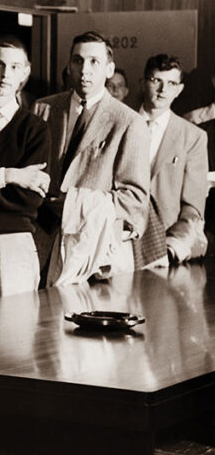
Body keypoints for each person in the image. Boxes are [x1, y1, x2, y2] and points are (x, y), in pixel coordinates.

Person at [32, 31, 149, 284]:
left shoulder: (129, 122)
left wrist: (74, 204)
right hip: (41, 242)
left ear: (109, 69)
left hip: (92, 251)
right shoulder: (44, 108)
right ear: (69, 66)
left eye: (94, 62)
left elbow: (136, 199)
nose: (85, 70)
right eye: (78, 61)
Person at [0, 36, 50, 297]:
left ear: (25, 72)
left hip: (12, 245)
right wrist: (10, 175)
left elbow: (28, 200)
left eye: (15, 67)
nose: (5, 74)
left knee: (11, 334)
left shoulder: (36, 129)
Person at [136, 54, 207, 265]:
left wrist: (170, 249)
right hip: (119, 245)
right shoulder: (121, 124)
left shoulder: (192, 137)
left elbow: (193, 209)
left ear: (179, 89)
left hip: (166, 249)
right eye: (156, 80)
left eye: (171, 83)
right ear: (143, 83)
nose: (162, 89)